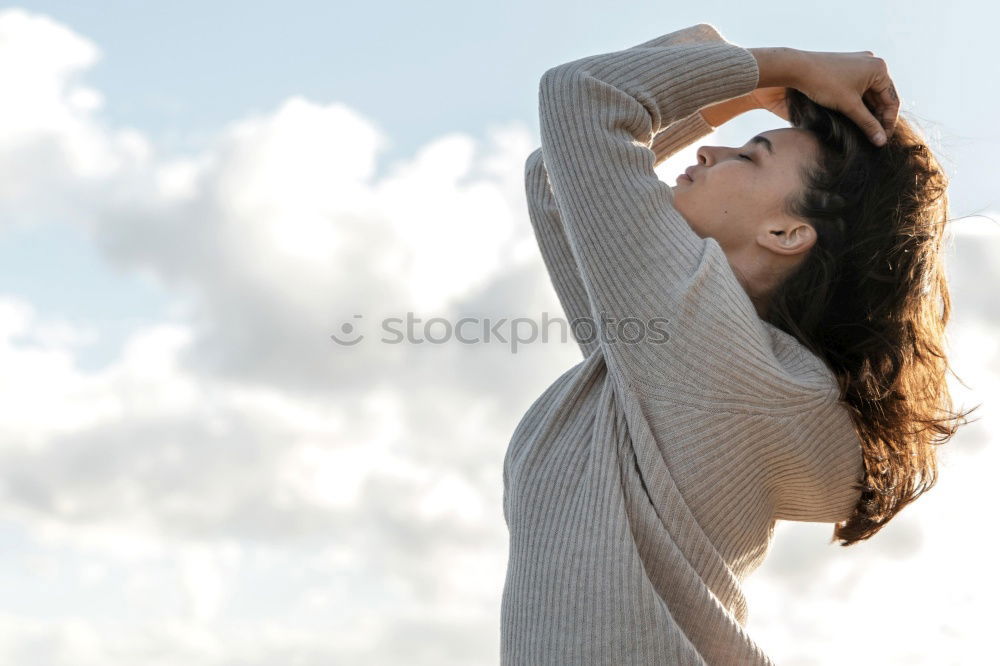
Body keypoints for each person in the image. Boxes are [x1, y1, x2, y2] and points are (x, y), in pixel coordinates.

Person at [500, 23, 976, 665]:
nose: (708, 153)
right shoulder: (666, 348)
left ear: (786, 232)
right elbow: (558, 180)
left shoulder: (698, 336)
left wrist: (787, 68)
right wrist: (749, 90)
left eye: (748, 156)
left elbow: (583, 95)